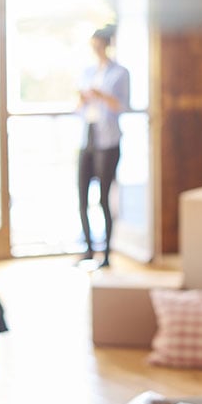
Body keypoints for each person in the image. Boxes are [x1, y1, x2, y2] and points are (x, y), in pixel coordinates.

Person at [76, 24, 130, 268]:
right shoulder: (87, 72)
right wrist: (83, 99)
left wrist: (101, 96)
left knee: (104, 199)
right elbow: (80, 108)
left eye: (99, 43)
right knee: (81, 196)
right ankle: (88, 250)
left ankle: (107, 254)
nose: (96, 48)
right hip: (87, 136)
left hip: (108, 141)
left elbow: (122, 106)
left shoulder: (120, 73)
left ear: (107, 44)